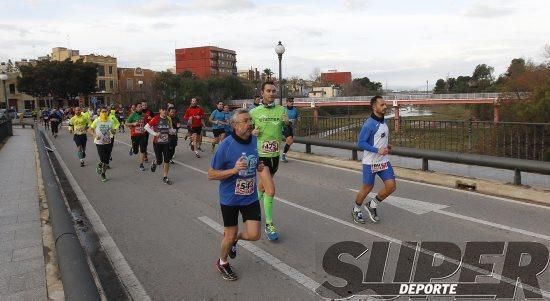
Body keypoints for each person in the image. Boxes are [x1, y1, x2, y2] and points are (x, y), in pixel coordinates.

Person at [208, 108, 263, 281]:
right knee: (229, 234)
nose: (249, 124)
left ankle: (235, 240)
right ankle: (222, 262)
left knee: (254, 235)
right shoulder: (226, 144)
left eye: (250, 121)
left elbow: (254, 159)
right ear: (234, 125)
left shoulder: (254, 140)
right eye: (245, 121)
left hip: (250, 196)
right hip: (230, 198)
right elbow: (211, 174)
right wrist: (233, 170)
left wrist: (258, 165)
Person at [250, 81, 289, 241]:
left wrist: (287, 125)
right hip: (261, 156)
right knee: (270, 190)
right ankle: (269, 224)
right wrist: (251, 132)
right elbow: (244, 132)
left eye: (274, 91)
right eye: (268, 91)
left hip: (274, 156)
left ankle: (250, 207)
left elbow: (287, 131)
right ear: (262, 93)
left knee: (261, 187)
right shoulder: (254, 112)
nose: (272, 93)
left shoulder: (282, 110)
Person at [352, 95, 397, 224]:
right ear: (374, 107)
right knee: (367, 188)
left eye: (385, 104)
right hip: (370, 162)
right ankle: (356, 209)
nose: (385, 106)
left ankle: (372, 205)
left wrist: (386, 146)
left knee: (391, 186)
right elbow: (361, 143)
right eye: (382, 105)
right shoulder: (369, 124)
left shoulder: (384, 121)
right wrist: (378, 150)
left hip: (383, 161)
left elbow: (379, 139)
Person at [145, 105, 174, 184]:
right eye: (163, 109)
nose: (165, 111)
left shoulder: (168, 119)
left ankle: (165, 177)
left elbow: (170, 128)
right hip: (157, 143)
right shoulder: (156, 118)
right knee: (159, 161)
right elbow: (146, 127)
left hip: (166, 142)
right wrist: (154, 133)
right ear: (160, 110)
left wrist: (172, 131)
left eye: (166, 110)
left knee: (167, 160)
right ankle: (154, 162)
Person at [89, 107, 116, 182]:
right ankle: (101, 167)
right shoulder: (97, 121)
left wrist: (113, 131)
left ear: (108, 112)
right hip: (99, 143)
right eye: (102, 112)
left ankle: (103, 172)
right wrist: (95, 136)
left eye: (105, 111)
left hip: (108, 142)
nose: (104, 113)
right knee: (103, 158)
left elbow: (113, 131)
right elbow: (90, 129)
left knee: (106, 161)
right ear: (99, 113)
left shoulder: (110, 121)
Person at [126, 103, 148, 171]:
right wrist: (133, 123)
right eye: (139, 107)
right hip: (135, 135)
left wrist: (146, 128)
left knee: (142, 149)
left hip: (142, 135)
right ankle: (133, 148)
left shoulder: (144, 115)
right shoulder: (132, 115)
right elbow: (126, 123)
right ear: (136, 108)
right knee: (136, 152)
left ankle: (141, 164)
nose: (141, 107)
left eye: (141, 106)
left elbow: (146, 123)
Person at [281, 97, 299, 163]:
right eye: (290, 101)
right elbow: (281, 119)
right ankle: (283, 156)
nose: (292, 102)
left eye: (292, 101)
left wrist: (296, 126)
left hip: (291, 127)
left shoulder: (295, 110)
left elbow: (296, 118)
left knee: (290, 142)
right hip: (285, 126)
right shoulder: (284, 110)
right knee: (290, 140)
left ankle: (283, 154)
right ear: (287, 102)